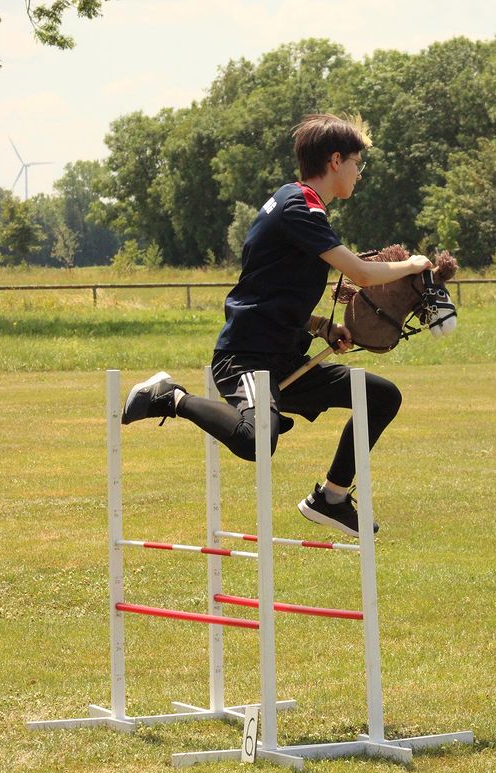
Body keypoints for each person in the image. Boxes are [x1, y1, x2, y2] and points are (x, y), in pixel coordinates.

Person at [121, 113, 433, 537]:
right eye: (358, 162)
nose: (360, 173)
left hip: (284, 358)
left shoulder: (299, 206)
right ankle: (169, 397)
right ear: (336, 160)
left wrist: (322, 325)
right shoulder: (299, 207)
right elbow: (360, 274)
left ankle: (332, 497)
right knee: (255, 441)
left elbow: (270, 289)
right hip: (247, 358)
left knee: (380, 397)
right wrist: (412, 264)